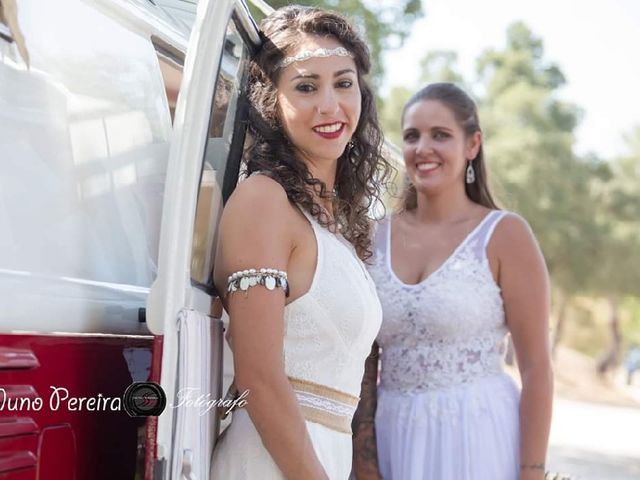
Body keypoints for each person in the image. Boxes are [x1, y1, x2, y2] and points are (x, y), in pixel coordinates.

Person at [210, 6, 392, 480]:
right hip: (270, 463)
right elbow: (259, 379)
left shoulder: (333, 224)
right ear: (272, 100)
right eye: (307, 87)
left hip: (321, 457)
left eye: (343, 83)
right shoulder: (263, 201)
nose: (330, 105)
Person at [352, 83, 554, 480]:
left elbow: (536, 369)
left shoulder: (505, 235)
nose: (422, 148)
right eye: (412, 136)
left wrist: (532, 472)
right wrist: (364, 457)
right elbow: (363, 358)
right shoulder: (372, 237)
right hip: (395, 434)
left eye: (440, 135)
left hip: (476, 434)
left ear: (473, 144)